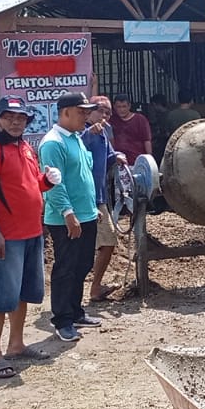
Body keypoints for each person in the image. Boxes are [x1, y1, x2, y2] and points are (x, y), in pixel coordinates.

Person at [0, 95, 61, 381]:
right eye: (9, 117)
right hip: (6, 236)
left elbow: (30, 184)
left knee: (22, 292)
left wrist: (46, 182)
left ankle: (16, 344)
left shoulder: (25, 147)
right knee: (1, 297)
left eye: (20, 117)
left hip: (31, 231)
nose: (15, 122)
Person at [40, 92, 105, 342]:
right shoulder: (52, 143)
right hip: (65, 219)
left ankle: (76, 311)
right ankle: (63, 320)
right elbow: (54, 184)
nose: (86, 116)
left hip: (85, 214)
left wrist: (92, 208)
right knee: (66, 268)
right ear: (65, 112)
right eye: (81, 112)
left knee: (83, 265)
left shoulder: (76, 138)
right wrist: (68, 213)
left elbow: (82, 175)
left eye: (87, 112)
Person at [82, 95, 127, 302]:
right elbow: (75, 149)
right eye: (100, 110)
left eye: (108, 112)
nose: (104, 115)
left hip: (99, 197)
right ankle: (85, 290)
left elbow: (107, 156)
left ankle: (95, 287)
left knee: (107, 242)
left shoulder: (103, 133)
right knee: (89, 246)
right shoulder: (82, 132)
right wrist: (88, 133)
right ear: (89, 111)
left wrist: (116, 156)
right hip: (84, 198)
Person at [109, 94, 152, 164]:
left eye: (124, 106)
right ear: (114, 107)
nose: (122, 110)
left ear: (129, 106)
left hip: (136, 161)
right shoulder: (111, 119)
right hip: (118, 162)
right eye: (119, 107)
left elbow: (146, 141)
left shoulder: (140, 119)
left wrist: (149, 160)